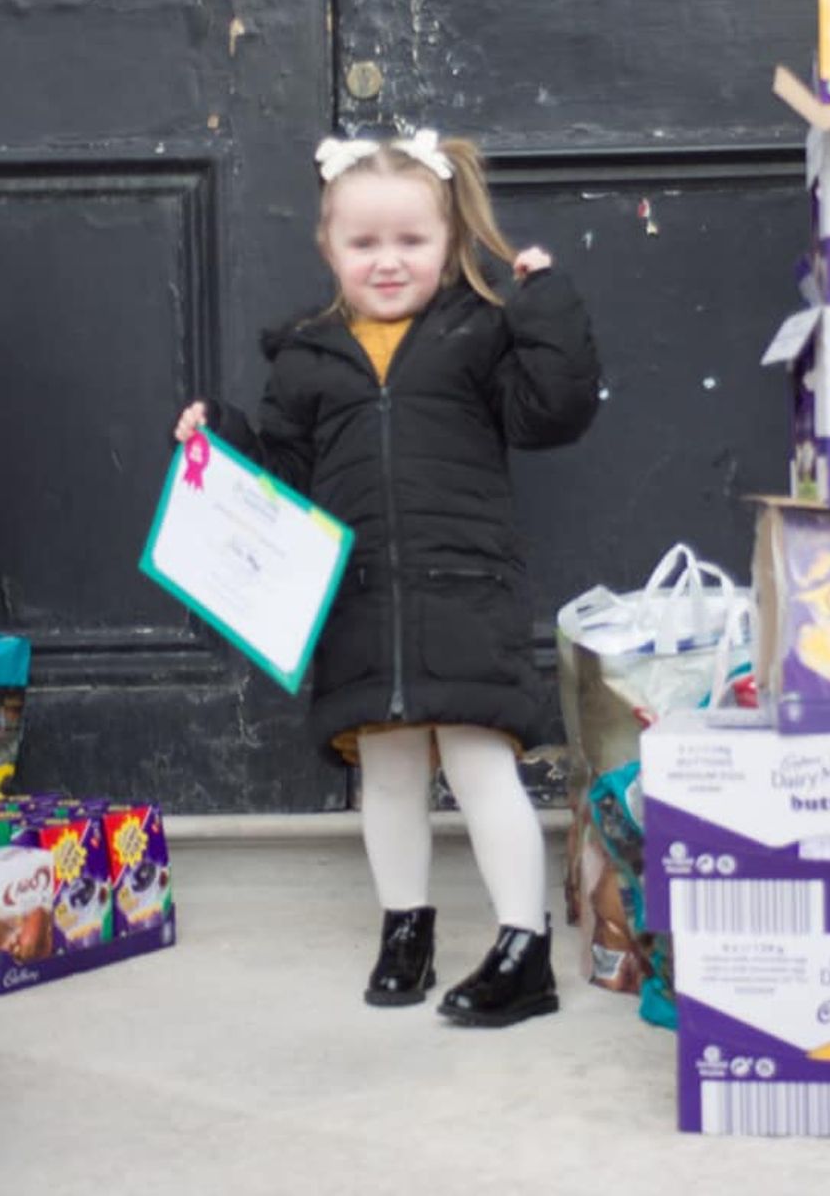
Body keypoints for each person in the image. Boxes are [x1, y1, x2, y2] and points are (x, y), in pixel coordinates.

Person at [174, 128, 600, 1027]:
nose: (390, 261)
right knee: (391, 771)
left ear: (448, 241)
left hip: (465, 587)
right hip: (359, 596)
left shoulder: (481, 334)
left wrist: (545, 304)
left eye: (412, 240)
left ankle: (523, 948)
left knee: (482, 762)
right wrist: (225, 438)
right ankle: (404, 927)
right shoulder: (307, 356)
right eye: (365, 243)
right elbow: (283, 478)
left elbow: (554, 414)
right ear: (329, 247)